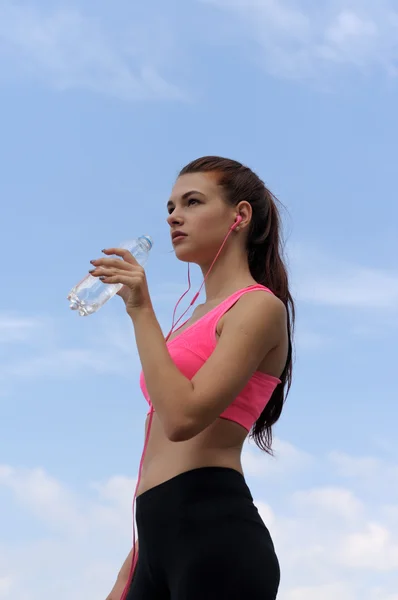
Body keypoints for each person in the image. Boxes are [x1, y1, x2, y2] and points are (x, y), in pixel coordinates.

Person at [92, 156, 294, 600]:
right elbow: (158, 453)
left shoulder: (259, 308)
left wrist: (141, 309)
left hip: (213, 535)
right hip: (154, 539)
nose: (174, 217)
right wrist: (128, 572)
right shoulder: (191, 320)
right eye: (170, 207)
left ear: (239, 216)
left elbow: (182, 420)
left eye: (192, 202)